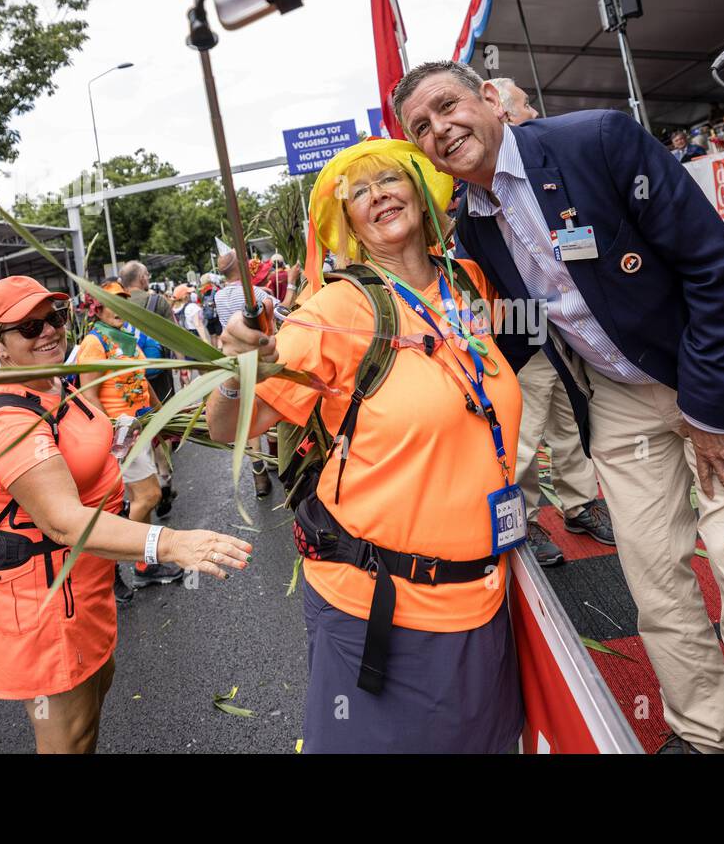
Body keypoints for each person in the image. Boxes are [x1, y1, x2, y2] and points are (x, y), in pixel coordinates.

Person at [394, 60, 724, 754]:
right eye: (421, 126)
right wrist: (408, 393)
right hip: (622, 396)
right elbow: (518, 336)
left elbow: (716, 271)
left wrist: (710, 413)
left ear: (488, 100)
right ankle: (702, 732)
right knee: (654, 579)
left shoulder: (597, 140)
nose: (440, 128)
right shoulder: (473, 228)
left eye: (447, 106)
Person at [206, 139, 524, 753]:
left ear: (419, 191)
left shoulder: (469, 284)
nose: (378, 194)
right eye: (360, 191)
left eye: (389, 179)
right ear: (346, 224)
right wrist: (236, 369)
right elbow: (229, 427)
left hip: (483, 595)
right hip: (380, 608)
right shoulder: (333, 311)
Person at [0, 275, 250, 752]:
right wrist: (171, 543)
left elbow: (82, 447)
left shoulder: (56, 384)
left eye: (55, 318)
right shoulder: (5, 420)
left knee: (90, 715)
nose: (50, 331)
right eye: (30, 327)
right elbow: (63, 522)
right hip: (48, 606)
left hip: (87, 590)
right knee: (70, 738)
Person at [487, 76, 613, 566]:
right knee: (522, 432)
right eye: (524, 106)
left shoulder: (557, 166)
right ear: (498, 111)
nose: (535, 114)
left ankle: (581, 504)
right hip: (522, 335)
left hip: (568, 338)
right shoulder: (479, 191)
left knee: (571, 423)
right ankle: (527, 520)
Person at [75, 281, 182, 601]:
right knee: (148, 496)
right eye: (113, 303)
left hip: (139, 429)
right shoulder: (94, 343)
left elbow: (142, 382)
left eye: (123, 302)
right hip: (120, 437)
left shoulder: (127, 340)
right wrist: (112, 434)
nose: (120, 308)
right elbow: (89, 395)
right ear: (98, 309)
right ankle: (112, 569)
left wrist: (165, 416)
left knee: (141, 499)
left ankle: (144, 566)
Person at [212, 249, 277, 499]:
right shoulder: (254, 294)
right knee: (266, 407)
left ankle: (258, 469)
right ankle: (275, 461)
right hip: (259, 355)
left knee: (247, 412)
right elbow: (283, 310)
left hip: (234, 357)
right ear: (241, 267)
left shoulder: (219, 296)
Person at [120, 260, 179, 515]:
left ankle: (147, 482)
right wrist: (183, 367)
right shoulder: (158, 302)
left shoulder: (114, 304)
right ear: (143, 278)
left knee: (139, 432)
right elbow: (175, 335)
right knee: (161, 430)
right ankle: (164, 481)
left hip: (129, 379)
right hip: (159, 375)